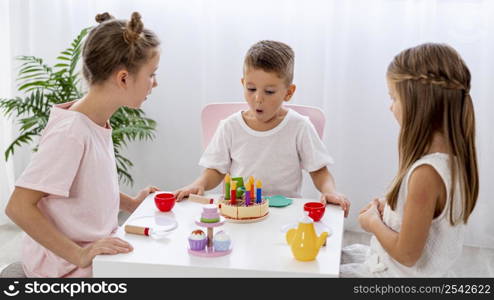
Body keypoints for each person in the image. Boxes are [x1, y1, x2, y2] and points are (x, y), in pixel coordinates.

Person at [5, 12, 161, 277]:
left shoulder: (94, 122)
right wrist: (79, 254)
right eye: (152, 74)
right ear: (123, 78)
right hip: (62, 269)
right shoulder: (72, 132)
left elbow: (86, 191)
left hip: (87, 258)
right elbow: (18, 207)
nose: (155, 83)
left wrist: (131, 204)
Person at [341, 43, 479, 277]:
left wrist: (373, 222)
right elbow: (427, 224)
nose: (390, 106)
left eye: (393, 97)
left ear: (418, 103)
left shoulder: (426, 174)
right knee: (335, 256)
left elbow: (407, 254)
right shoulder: (453, 162)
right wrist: (391, 212)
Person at [175, 40, 350, 217]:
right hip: (241, 212)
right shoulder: (230, 126)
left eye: (269, 92)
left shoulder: (299, 126)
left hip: (284, 213)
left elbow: (319, 170)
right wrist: (199, 184)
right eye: (251, 89)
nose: (258, 98)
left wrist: (329, 191)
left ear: (288, 92)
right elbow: (215, 170)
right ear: (243, 83)